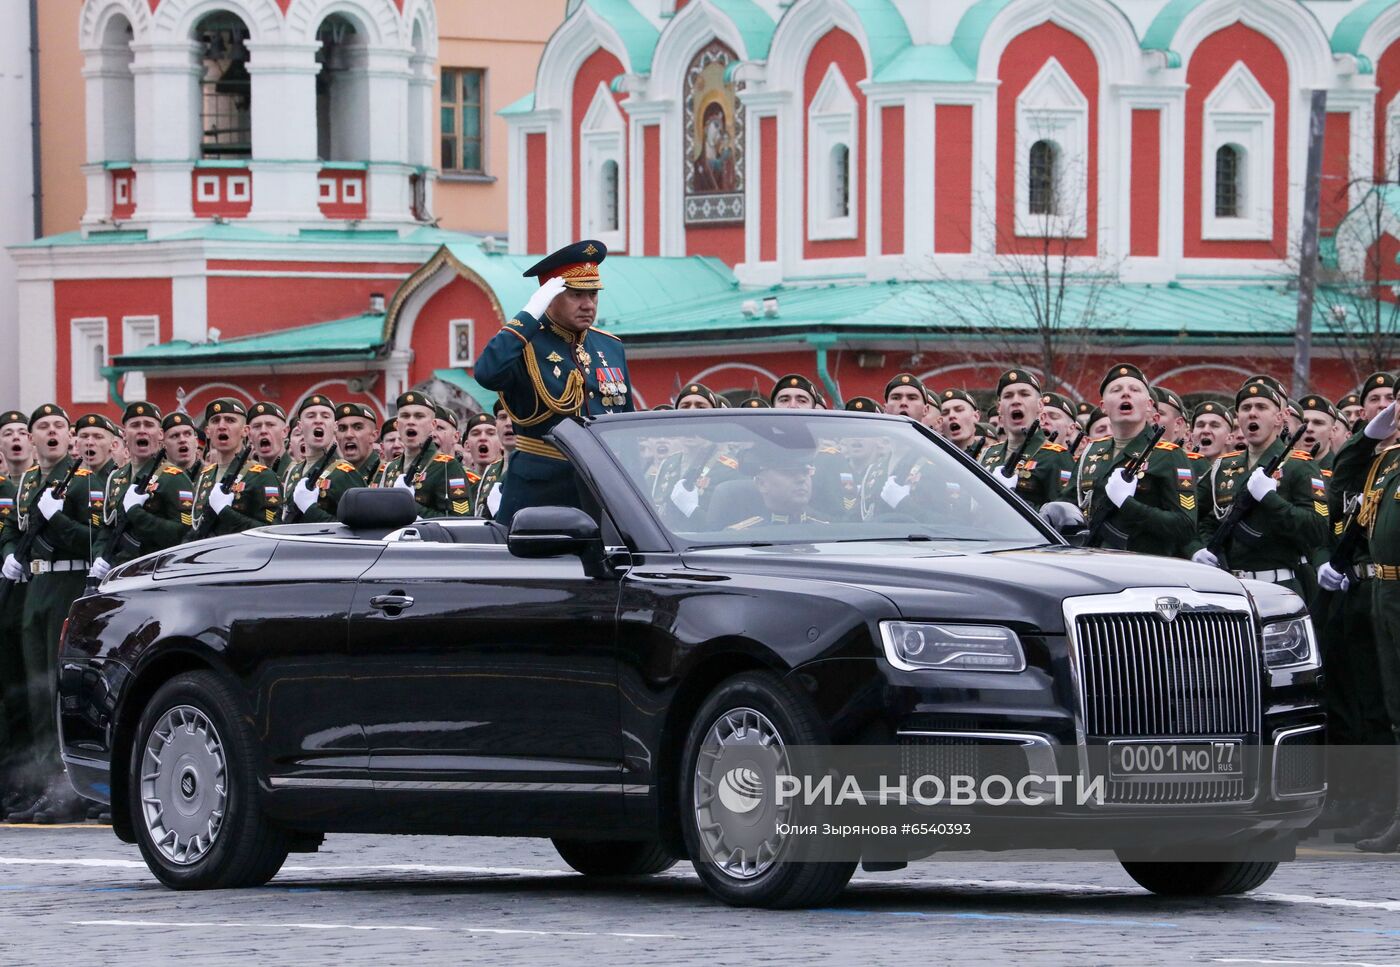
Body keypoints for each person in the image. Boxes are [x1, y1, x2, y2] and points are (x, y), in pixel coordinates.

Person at [474, 240, 634, 524]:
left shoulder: (609, 346)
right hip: (540, 487)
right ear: (549, 298)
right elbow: (487, 373)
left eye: (593, 294)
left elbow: (626, 421)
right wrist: (529, 315)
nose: (588, 304)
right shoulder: (525, 344)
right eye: (576, 295)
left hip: (603, 487)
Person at [1, 405, 100, 822]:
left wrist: (56, 519)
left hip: (66, 584)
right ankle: (44, 783)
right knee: (37, 691)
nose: (52, 432)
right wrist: (9, 553)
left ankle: (70, 785)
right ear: (34, 438)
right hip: (36, 587)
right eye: (43, 427)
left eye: (59, 426)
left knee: (59, 686)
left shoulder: (83, 481)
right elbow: (12, 529)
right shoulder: (25, 484)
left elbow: (94, 540)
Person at [1324, 399, 1400, 851]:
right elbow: (1344, 489)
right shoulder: (1388, 460)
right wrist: (1365, 438)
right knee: (1390, 708)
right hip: (1383, 593)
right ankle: (1390, 810)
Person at [1186, 378, 1327, 594]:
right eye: (1246, 408)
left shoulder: (1298, 465)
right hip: (1229, 586)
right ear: (1238, 419)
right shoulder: (1224, 466)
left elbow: (1317, 529)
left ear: (1280, 417)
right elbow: (1198, 517)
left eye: (1261, 407)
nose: (1252, 413)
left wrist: (1270, 498)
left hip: (1278, 585)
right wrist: (1198, 548)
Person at [1073, 364, 1195, 555]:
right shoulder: (1091, 453)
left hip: (1145, 569)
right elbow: (1070, 504)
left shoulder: (1169, 455)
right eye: (1116, 390)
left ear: (1148, 405)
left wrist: (1127, 504)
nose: (1125, 394)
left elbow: (1185, 527)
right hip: (1094, 563)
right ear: (1103, 406)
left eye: (1135, 389)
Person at [90, 402, 195, 578]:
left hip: (156, 574)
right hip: (121, 574)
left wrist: (137, 514)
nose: (142, 430)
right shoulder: (116, 479)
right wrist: (100, 555)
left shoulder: (173, 478)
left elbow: (185, 534)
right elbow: (106, 528)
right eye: (135, 425)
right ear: (124, 434)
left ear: (160, 434)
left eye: (148, 424)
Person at [978, 370, 1074, 510]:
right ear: (999, 408)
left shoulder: (1056, 457)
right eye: (1008, 396)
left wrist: (1014, 500)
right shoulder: (988, 454)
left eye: (1024, 394)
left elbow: (1061, 517)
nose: (1016, 401)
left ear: (1040, 406)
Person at [189, 398, 282, 536]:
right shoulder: (205, 476)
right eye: (215, 421)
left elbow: (271, 532)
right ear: (208, 432)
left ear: (245, 431)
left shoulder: (261, 476)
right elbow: (195, 526)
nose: (221, 426)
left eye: (230, 420)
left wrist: (225, 511)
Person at [652, 383, 741, 526]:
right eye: (685, 407)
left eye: (700, 407)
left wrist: (692, 510)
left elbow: (730, 526)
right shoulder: (669, 463)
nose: (691, 413)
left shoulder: (731, 467)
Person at [289, 403, 390, 522]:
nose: (348, 435)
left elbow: (362, 529)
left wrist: (311, 509)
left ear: (374, 435)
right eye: (342, 429)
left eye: (357, 427)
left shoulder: (386, 473)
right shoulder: (298, 471)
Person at [379, 392, 473, 518]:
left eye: (419, 416)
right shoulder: (390, 468)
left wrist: (411, 505)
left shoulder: (447, 466)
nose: (411, 422)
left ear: (432, 425)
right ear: (397, 425)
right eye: (405, 416)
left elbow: (460, 520)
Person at [726, 448, 826, 529]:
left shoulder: (827, 532)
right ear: (762, 484)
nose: (801, 479)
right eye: (789, 472)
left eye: (805, 472)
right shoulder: (739, 537)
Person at [282, 394, 337, 504]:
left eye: (325, 417)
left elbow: (355, 520)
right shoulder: (292, 472)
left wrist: (310, 509)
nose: (318, 421)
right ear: (300, 426)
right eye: (311, 416)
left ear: (335, 426)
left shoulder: (343, 473)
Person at [473, 403, 515, 519]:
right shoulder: (491, 469)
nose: (508, 423)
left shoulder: (530, 466)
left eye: (514, 416)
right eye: (502, 417)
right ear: (496, 425)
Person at [248, 401, 291, 481]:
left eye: (270, 425)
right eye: (257, 426)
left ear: (285, 432)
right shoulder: (246, 477)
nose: (263, 431)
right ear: (249, 436)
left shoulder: (298, 474)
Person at [1299, 394, 1340, 472]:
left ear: (1332, 432)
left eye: (1318, 423)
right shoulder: (1283, 466)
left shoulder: (1339, 471)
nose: (1309, 428)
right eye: (1304, 422)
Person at [162, 412, 201, 478]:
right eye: (174, 436)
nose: (182, 440)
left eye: (187, 434)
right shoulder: (156, 479)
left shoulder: (211, 476)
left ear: (196, 441)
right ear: (163, 445)